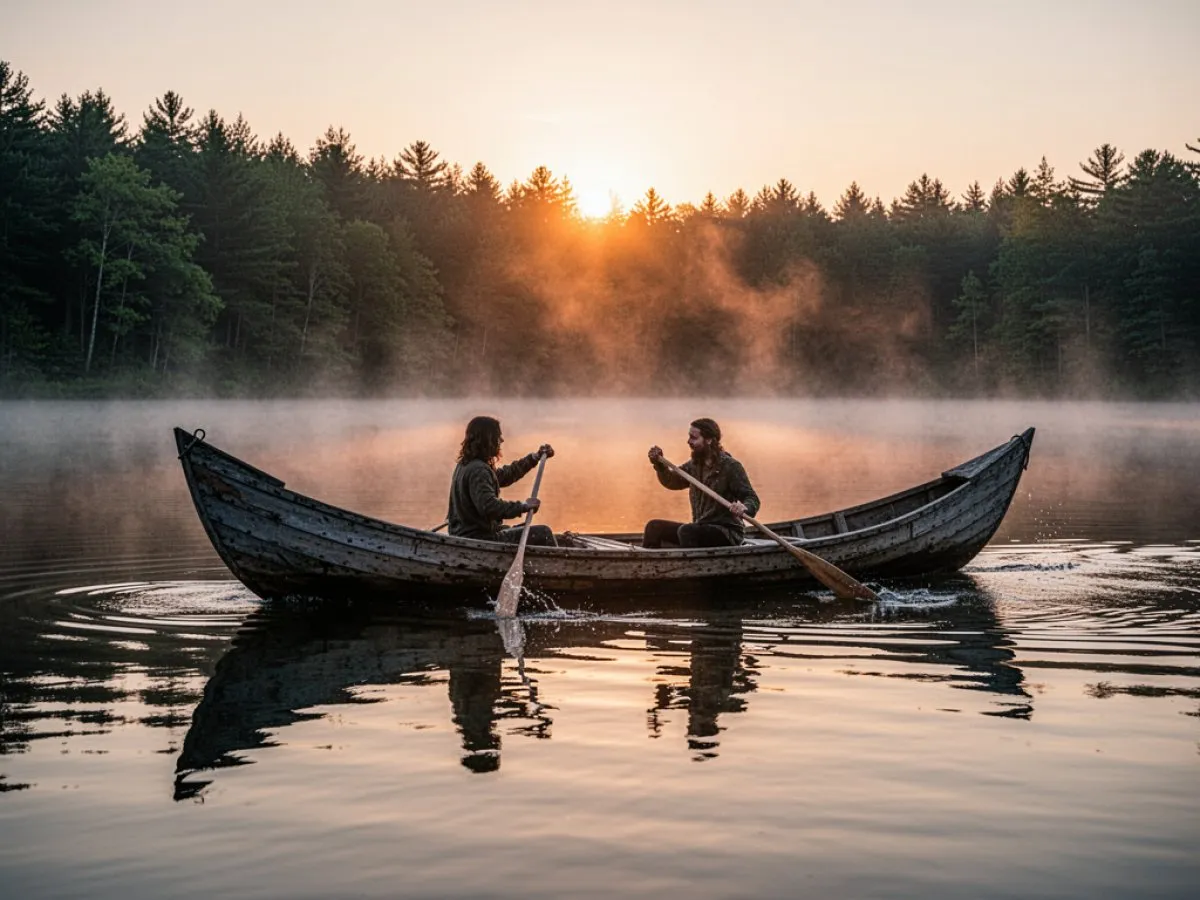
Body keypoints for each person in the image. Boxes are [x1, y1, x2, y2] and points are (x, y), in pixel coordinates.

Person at [643, 417, 760, 549]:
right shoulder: (694, 465)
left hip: (726, 533)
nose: (688, 441)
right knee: (654, 527)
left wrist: (744, 507)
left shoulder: (730, 467)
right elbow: (672, 481)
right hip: (700, 528)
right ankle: (649, 567)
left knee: (687, 531)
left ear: (709, 440)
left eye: (693, 438)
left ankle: (691, 568)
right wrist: (660, 465)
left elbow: (752, 498)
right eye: (689, 437)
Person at [447, 416, 558, 547]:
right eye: (498, 437)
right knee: (543, 533)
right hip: (481, 539)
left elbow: (505, 475)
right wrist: (523, 507)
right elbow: (489, 507)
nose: (501, 440)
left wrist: (534, 458)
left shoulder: (466, 464)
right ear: (488, 440)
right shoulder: (479, 470)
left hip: (467, 534)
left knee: (521, 529)